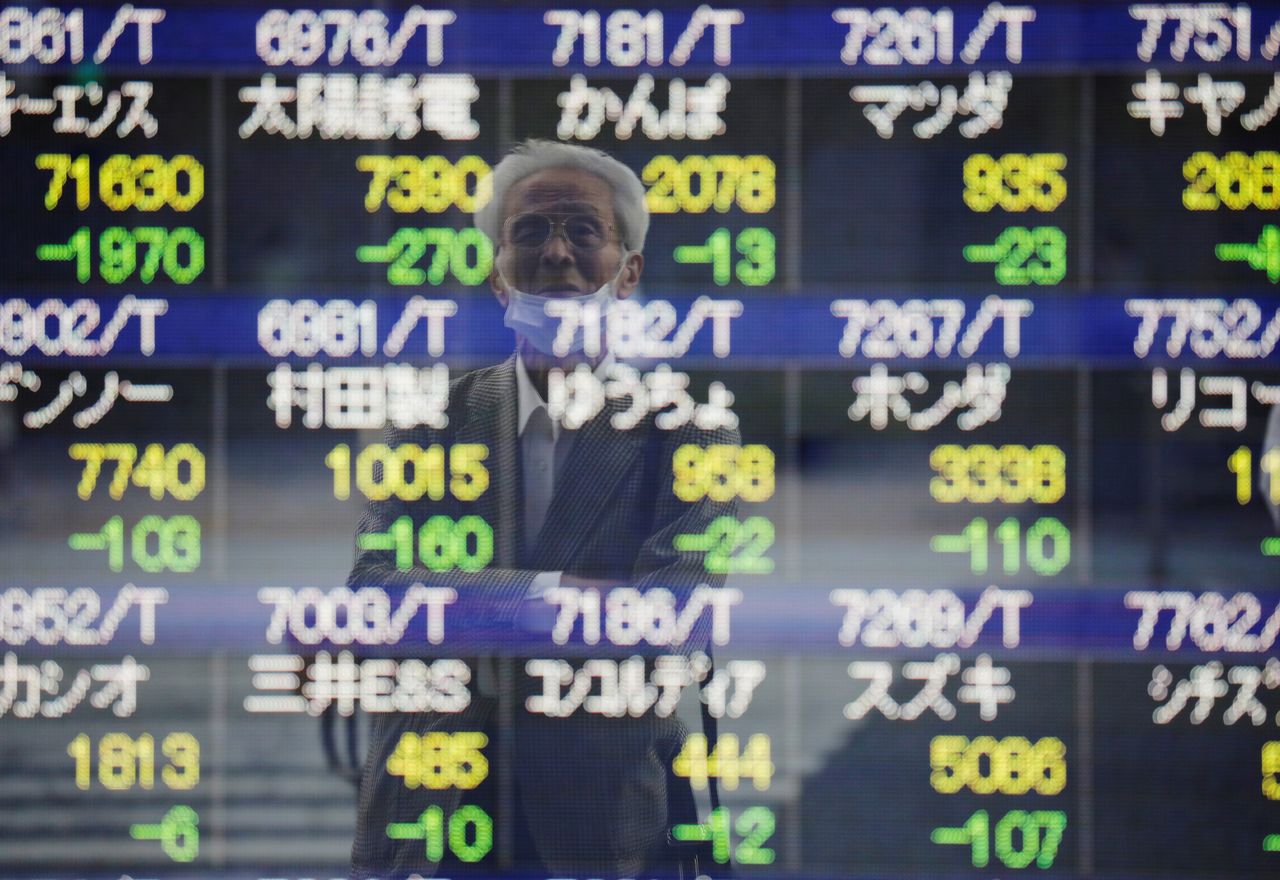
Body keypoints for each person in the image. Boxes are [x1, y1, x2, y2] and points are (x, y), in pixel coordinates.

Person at [348, 139, 737, 880]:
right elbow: (376, 590)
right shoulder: (431, 418)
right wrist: (555, 596)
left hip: (601, 816)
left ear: (628, 272)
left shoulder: (688, 428)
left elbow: (672, 616)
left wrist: (467, 608)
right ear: (497, 276)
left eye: (583, 231)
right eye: (529, 232)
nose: (556, 253)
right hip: (431, 806)